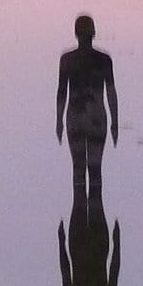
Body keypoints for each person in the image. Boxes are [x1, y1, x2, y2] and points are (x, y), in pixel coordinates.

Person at [55, 14, 118, 194]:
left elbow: (61, 92)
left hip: (75, 118)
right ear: (94, 33)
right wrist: (115, 123)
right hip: (97, 118)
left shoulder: (67, 60)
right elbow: (111, 92)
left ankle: (79, 213)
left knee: (78, 171)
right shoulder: (104, 60)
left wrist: (58, 121)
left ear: (76, 33)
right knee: (96, 170)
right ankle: (97, 214)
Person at [59, 184, 121, 286]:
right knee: (95, 196)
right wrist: (117, 244)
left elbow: (65, 270)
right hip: (99, 244)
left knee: (80, 196)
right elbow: (114, 270)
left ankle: (81, 159)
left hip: (78, 243)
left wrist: (61, 243)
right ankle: (91, 160)